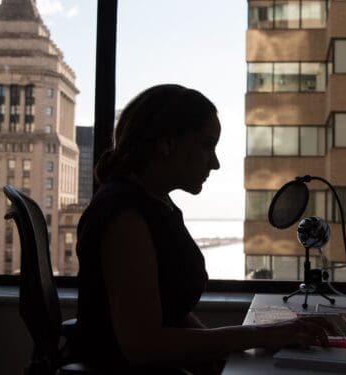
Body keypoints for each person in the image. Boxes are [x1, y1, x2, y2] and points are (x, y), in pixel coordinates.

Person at [74, 84, 330, 374]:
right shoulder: (125, 216)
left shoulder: (156, 204)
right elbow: (143, 346)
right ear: (167, 143)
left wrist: (221, 357)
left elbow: (172, 313)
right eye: (207, 144)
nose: (216, 163)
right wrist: (260, 336)